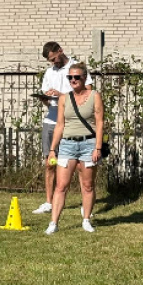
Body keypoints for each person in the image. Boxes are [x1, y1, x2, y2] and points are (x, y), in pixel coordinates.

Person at [33, 42, 92, 214]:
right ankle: (49, 202)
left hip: (72, 122)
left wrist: (62, 95)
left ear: (60, 51)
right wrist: (45, 98)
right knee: (49, 163)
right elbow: (47, 100)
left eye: (54, 58)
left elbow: (88, 93)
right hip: (52, 120)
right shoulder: (49, 72)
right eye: (50, 61)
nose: (53, 63)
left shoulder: (76, 69)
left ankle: (85, 205)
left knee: (80, 165)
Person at [45, 62, 104, 235]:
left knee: (87, 185)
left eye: (76, 77)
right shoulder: (64, 98)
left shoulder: (94, 96)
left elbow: (100, 123)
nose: (73, 80)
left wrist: (98, 148)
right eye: (70, 77)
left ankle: (86, 220)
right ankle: (53, 223)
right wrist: (52, 149)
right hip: (67, 145)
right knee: (61, 186)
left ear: (84, 78)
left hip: (88, 144)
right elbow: (60, 125)